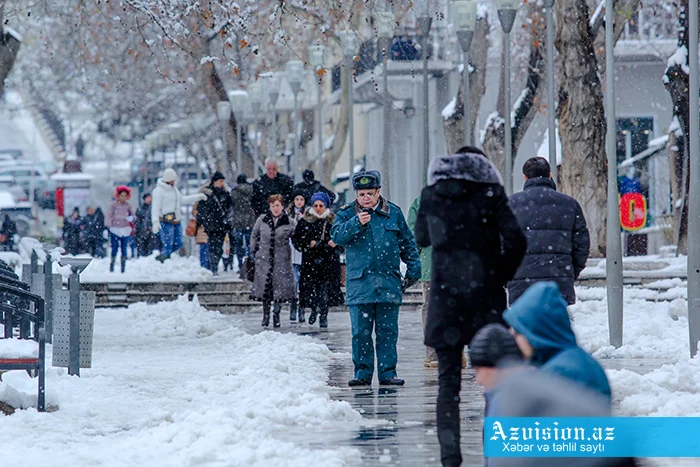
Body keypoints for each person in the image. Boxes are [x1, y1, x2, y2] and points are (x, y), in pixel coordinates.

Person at [413, 147, 526, 467]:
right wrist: (499, 274)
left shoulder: (433, 194)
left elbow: (421, 236)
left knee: (448, 384)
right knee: (495, 381)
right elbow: (516, 240)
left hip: (446, 299)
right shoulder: (492, 194)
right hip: (485, 299)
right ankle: (495, 455)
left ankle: (451, 459)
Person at [331, 170, 421, 387]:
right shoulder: (346, 214)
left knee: (387, 332)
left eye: (370, 193)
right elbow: (336, 237)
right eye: (361, 194)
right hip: (360, 285)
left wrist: (411, 274)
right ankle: (362, 373)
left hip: (388, 284)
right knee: (360, 333)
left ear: (378, 192)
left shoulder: (393, 213)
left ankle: (387, 373)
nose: (366, 198)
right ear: (356, 194)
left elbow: (408, 244)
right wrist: (356, 223)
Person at [503, 281, 612, 404]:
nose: (514, 339)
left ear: (533, 333)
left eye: (518, 333)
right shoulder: (564, 360)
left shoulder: (562, 373)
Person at [508, 156, 590, 305]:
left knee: (525, 326)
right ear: (550, 175)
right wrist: (569, 272)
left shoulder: (510, 205)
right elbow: (582, 245)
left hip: (521, 283)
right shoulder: (570, 204)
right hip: (559, 280)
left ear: (525, 177)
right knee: (554, 326)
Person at [292, 192, 343, 328]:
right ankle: (314, 310)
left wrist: (335, 242)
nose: (318, 208)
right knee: (311, 289)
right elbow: (296, 238)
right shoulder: (305, 220)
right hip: (311, 261)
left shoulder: (333, 220)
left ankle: (324, 315)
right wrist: (308, 243)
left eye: (321, 205)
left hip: (329, 261)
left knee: (325, 290)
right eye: (316, 205)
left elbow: (343, 237)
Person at [250, 194, 297, 328]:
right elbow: (254, 235)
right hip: (263, 259)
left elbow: (298, 237)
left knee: (279, 289)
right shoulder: (262, 219)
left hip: (282, 259)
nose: (275, 208)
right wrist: (255, 251)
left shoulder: (290, 222)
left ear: (282, 206)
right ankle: (265, 316)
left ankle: (276, 315)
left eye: (277, 205)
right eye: (272, 206)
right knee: (265, 288)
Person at [407, 195, 438, 368]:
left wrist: (419, 256)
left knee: (431, 309)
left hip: (432, 264)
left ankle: (433, 354)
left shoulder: (421, 201)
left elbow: (414, 234)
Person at [151, 168, 207, 263]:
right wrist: (155, 221)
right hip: (165, 221)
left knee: (179, 242)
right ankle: (164, 260)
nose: (174, 182)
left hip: (177, 221)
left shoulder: (175, 190)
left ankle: (164, 256)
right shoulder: (158, 191)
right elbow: (155, 207)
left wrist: (198, 197)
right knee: (168, 243)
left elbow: (182, 200)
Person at [197, 172, 233, 275]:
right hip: (212, 225)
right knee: (213, 246)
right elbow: (201, 209)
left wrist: (227, 220)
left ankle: (214, 266)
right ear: (215, 181)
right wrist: (205, 221)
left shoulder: (225, 194)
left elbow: (230, 208)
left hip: (221, 225)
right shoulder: (208, 194)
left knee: (219, 247)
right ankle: (213, 267)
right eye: (220, 181)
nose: (222, 183)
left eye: (222, 181)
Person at [105, 186, 135, 273]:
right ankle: (112, 265)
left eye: (125, 196)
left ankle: (123, 267)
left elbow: (133, 216)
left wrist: (131, 218)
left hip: (125, 229)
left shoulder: (128, 205)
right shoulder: (113, 205)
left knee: (124, 248)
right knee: (114, 247)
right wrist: (107, 226)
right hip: (115, 229)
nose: (123, 197)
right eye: (121, 195)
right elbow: (108, 216)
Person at [287, 190, 306, 321]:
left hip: (303, 252)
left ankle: (302, 309)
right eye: (297, 199)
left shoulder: (308, 214)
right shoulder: (287, 214)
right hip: (290, 252)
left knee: (302, 282)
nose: (299, 202)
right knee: (294, 281)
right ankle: (293, 307)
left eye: (301, 199)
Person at [230, 174, 256, 270]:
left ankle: (240, 265)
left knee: (239, 245)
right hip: (250, 220)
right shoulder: (252, 190)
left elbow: (231, 206)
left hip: (238, 221)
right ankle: (250, 264)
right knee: (250, 244)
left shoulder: (234, 192)